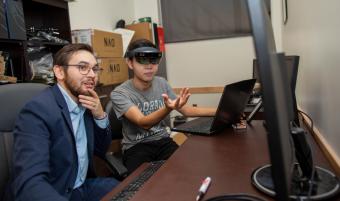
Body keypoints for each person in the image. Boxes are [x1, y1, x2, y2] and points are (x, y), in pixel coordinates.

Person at [8, 44, 119, 201]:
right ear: (59, 71)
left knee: (123, 190)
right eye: (82, 67)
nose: (92, 75)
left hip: (80, 186)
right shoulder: (37, 111)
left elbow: (101, 150)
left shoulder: (86, 103)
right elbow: (30, 184)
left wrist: (100, 115)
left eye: (95, 69)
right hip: (55, 192)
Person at [110, 39, 216, 174]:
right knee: (144, 186)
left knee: (186, 173)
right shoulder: (120, 93)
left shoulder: (161, 83)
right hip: (136, 147)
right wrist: (168, 108)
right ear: (130, 63)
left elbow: (187, 110)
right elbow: (143, 123)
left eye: (153, 60)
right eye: (142, 60)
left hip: (163, 141)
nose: (149, 66)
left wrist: (221, 111)